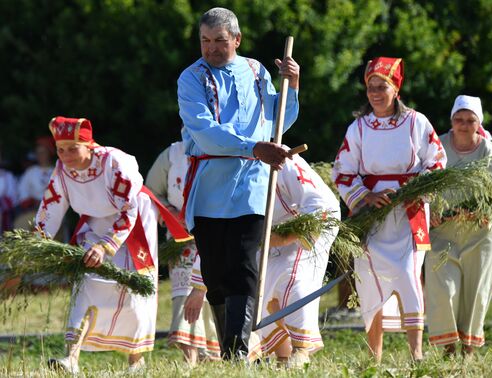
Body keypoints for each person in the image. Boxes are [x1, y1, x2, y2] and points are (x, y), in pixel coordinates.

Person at [177, 7, 300, 358]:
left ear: (237, 39)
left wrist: (292, 85)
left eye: (219, 40)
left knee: (245, 263)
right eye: (205, 40)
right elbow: (205, 132)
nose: (211, 48)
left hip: (252, 183)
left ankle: (237, 354)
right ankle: (230, 348)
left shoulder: (256, 70)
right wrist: (253, 146)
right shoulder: (190, 79)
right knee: (215, 273)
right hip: (210, 185)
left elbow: (279, 121)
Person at [40, 116, 188, 374]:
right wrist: (38, 244)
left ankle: (136, 361)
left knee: (136, 289)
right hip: (95, 223)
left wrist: (106, 246)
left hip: (134, 219)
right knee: (85, 283)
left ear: (89, 146)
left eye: (73, 148)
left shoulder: (113, 162)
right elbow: (51, 206)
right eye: (61, 150)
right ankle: (71, 358)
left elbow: (129, 209)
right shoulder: (62, 168)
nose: (66, 155)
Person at [331, 57, 447, 362]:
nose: (375, 93)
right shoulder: (358, 128)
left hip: (408, 214)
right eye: (371, 87)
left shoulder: (416, 122)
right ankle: (375, 356)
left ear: (396, 89)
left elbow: (436, 161)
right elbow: (342, 172)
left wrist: (410, 191)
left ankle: (416, 354)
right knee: (369, 281)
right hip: (372, 217)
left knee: (409, 276)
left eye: (382, 87)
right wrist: (366, 197)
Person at [425, 95, 492, 356]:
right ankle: (449, 348)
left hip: (481, 233)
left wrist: (481, 211)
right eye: (458, 119)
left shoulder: (489, 152)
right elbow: (421, 185)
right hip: (443, 232)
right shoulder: (436, 147)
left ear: (478, 123)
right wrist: (429, 212)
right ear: (451, 121)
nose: (463, 125)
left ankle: (468, 351)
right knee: (442, 288)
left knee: (475, 293)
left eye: (470, 120)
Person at [245, 152, 340, 367]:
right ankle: (282, 356)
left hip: (297, 231)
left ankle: (301, 350)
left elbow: (320, 204)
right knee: (262, 289)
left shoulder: (283, 159)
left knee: (293, 280)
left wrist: (286, 237)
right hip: (261, 239)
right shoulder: (229, 163)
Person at [145, 140, 221, 365]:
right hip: (181, 237)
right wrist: (171, 214)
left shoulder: (220, 147)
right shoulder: (172, 153)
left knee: (214, 291)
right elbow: (151, 191)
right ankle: (191, 357)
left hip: (215, 232)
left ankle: (214, 352)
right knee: (185, 291)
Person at [15, 136, 56, 231]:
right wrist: (29, 201)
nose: (40, 156)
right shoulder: (30, 171)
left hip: (53, 212)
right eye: (38, 153)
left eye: (43, 153)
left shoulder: (57, 171)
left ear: (49, 153)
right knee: (22, 224)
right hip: (33, 210)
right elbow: (22, 189)